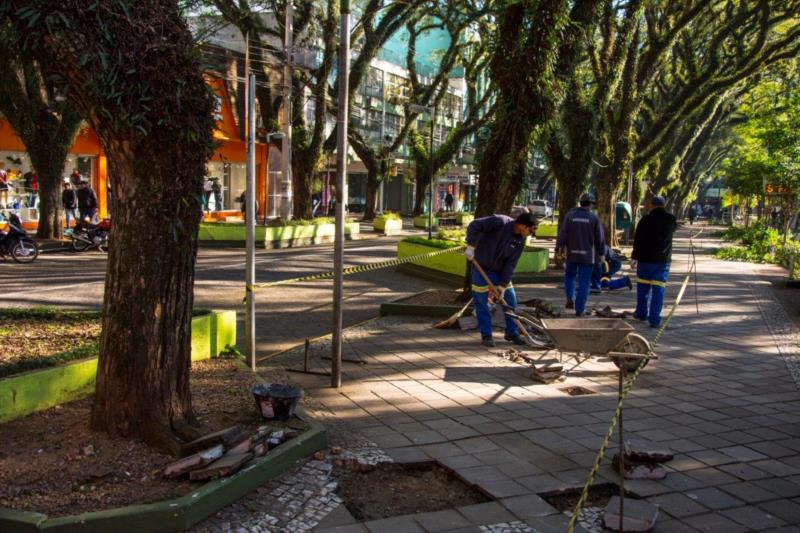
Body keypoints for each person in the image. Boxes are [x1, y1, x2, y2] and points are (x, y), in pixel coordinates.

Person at [465, 212, 539, 347]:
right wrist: (471, 245)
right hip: (481, 267)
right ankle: (486, 335)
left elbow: (511, 263)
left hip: (500, 272)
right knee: (481, 303)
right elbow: (474, 225)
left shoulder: (520, 240)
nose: (529, 235)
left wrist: (503, 285)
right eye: (529, 231)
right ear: (522, 226)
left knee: (510, 300)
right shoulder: (499, 222)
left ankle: (511, 332)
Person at [556, 192, 605, 316]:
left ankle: (570, 298)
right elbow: (600, 238)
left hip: (572, 254)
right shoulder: (594, 218)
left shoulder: (570, 216)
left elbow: (562, 233)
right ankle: (579, 309)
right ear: (591, 205)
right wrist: (602, 253)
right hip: (587, 256)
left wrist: (559, 248)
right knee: (584, 282)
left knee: (570, 276)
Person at [631, 195, 677, 328]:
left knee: (643, 290)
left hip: (645, 261)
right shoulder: (670, 219)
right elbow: (674, 228)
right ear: (664, 205)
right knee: (658, 291)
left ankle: (641, 313)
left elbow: (637, 240)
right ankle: (654, 319)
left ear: (651, 205)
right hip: (662, 262)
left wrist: (634, 257)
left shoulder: (645, 220)